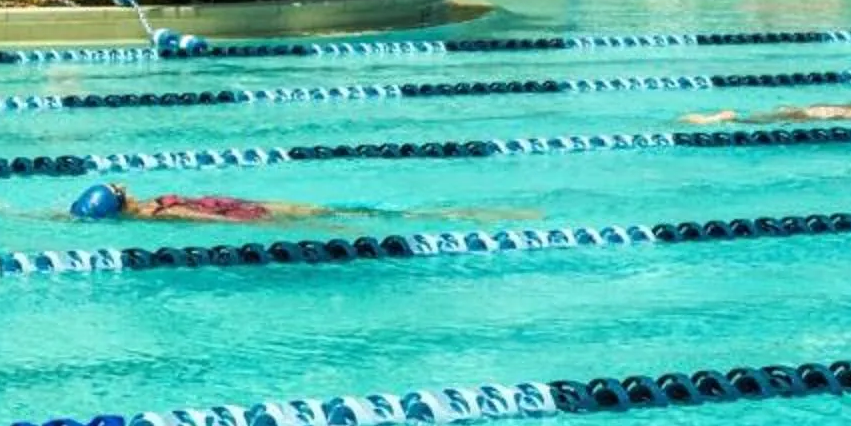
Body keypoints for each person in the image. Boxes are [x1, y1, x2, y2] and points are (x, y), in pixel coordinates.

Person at [66, 182, 538, 225]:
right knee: (348, 215)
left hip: (246, 205)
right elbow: (202, 218)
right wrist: (264, 225)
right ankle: (456, 216)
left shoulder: (149, 209)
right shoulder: (160, 214)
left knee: (343, 211)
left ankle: (456, 215)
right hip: (252, 215)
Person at [680, 83, 851, 126]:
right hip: (821, 114)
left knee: (771, 117)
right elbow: (849, 115)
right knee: (766, 121)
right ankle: (722, 118)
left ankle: (726, 117)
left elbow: (849, 106)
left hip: (819, 109)